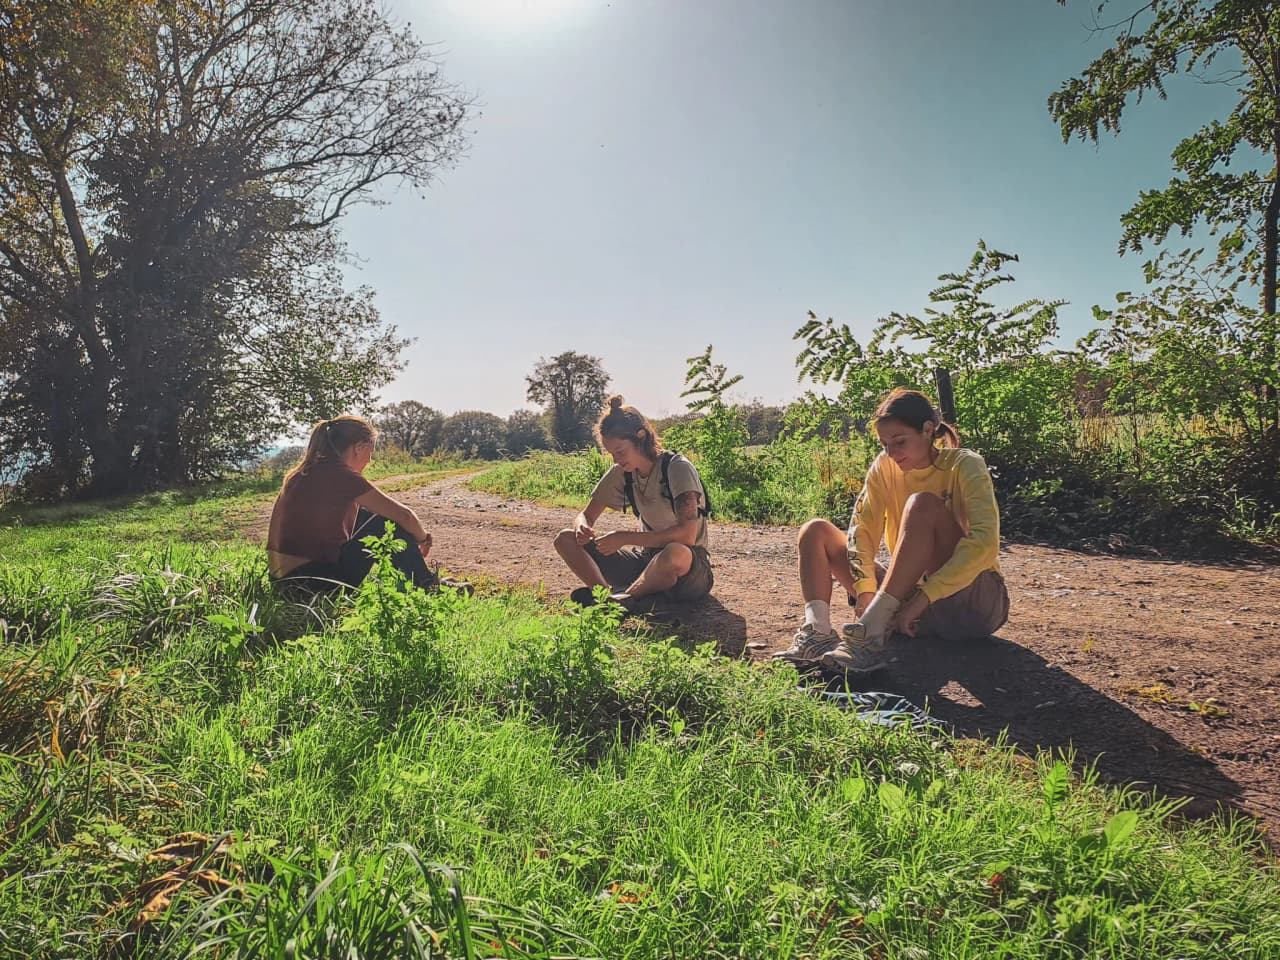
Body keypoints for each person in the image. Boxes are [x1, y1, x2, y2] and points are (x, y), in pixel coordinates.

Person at [773, 387, 1008, 673]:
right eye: (885, 444)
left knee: (921, 505)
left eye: (899, 441)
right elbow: (862, 529)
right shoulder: (885, 466)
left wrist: (922, 599)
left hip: (971, 605)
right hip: (912, 606)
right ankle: (818, 634)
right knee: (816, 531)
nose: (891, 452)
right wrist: (864, 589)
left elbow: (985, 544)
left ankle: (870, 632)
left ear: (927, 429)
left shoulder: (964, 464)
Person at [266, 415, 467, 598]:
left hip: (284, 583)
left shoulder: (304, 471)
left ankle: (425, 581)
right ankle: (428, 586)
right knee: (385, 526)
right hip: (314, 586)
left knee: (366, 516)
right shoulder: (341, 475)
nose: (369, 461)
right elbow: (405, 516)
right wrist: (423, 539)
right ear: (358, 448)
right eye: (370, 454)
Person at [553, 396, 713, 612]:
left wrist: (624, 537)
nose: (616, 459)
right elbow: (586, 515)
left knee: (675, 552)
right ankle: (606, 598)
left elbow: (687, 536)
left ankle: (625, 599)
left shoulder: (677, 468)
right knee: (565, 539)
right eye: (611, 454)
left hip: (690, 570)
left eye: (620, 452)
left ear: (641, 436)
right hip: (646, 561)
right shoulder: (623, 472)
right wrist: (582, 526)